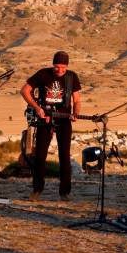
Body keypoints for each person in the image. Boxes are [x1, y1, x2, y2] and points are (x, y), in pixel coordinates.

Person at [20, 51, 82, 201]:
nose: (60, 70)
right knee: (40, 156)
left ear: (67, 66)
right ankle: (37, 190)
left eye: (63, 67)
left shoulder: (72, 77)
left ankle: (64, 192)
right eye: (57, 67)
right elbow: (24, 90)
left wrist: (75, 113)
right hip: (44, 119)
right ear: (53, 64)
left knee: (64, 156)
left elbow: (77, 100)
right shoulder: (43, 74)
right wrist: (37, 108)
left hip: (64, 120)